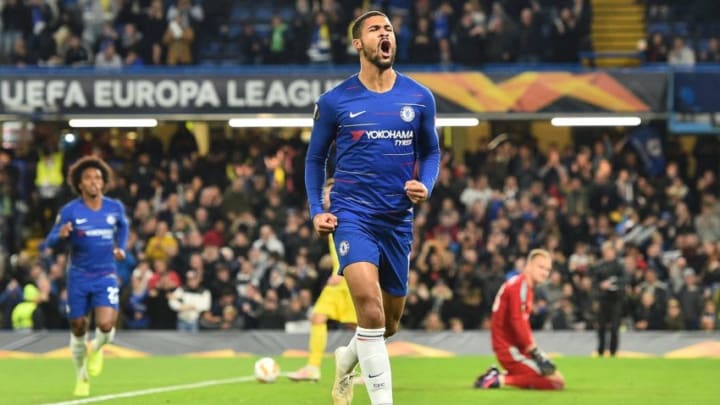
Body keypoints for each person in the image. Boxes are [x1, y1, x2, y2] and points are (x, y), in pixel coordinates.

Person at [304, 10, 441, 405]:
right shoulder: (335, 101)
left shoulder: (419, 96)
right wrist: (318, 208)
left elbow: (431, 151)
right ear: (358, 43)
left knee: (388, 324)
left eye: (389, 29)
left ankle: (345, 360)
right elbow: (315, 160)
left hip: (397, 219)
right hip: (353, 216)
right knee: (369, 308)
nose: (386, 34)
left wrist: (426, 185)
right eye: (375, 29)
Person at [44, 156, 129, 396]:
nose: (94, 182)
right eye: (89, 178)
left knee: (106, 324)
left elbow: (122, 227)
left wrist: (120, 247)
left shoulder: (114, 207)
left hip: (106, 274)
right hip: (79, 276)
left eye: (98, 178)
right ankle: (81, 377)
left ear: (103, 183)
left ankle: (98, 348)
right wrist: (61, 235)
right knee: (79, 326)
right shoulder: (70, 210)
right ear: (80, 184)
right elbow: (48, 242)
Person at [288, 178, 359, 382]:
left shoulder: (347, 216)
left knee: (362, 327)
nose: (325, 197)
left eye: (329, 192)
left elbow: (355, 245)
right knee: (319, 317)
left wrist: (339, 272)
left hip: (347, 278)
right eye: (325, 193)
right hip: (342, 279)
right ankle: (313, 367)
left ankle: (366, 373)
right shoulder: (333, 216)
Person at [474, 249, 565, 390]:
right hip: (509, 348)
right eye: (540, 267)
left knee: (556, 378)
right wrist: (535, 351)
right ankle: (499, 380)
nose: (545, 273)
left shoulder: (522, 285)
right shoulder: (520, 287)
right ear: (528, 266)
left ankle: (496, 376)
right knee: (555, 382)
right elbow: (518, 321)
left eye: (548, 269)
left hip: (514, 347)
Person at [592, 241, 626, 357]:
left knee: (615, 327)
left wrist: (613, 282)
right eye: (605, 251)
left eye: (609, 251)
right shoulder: (599, 266)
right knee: (601, 327)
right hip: (603, 299)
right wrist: (601, 285)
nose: (607, 254)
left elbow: (625, 279)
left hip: (616, 299)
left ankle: (613, 352)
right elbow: (594, 282)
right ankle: (600, 351)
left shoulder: (619, 265)